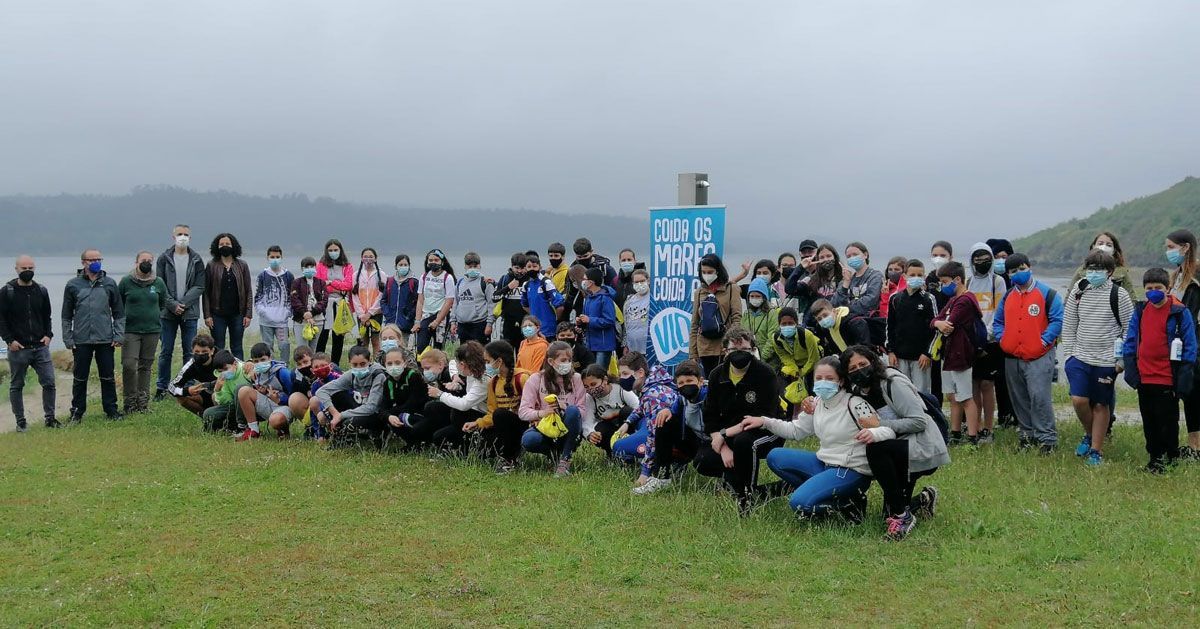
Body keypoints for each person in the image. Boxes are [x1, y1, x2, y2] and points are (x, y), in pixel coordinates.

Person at [736, 357, 884, 524]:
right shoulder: (817, 402)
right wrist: (765, 421)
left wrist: (875, 436)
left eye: (830, 379)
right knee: (775, 456)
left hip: (850, 470)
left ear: (841, 381)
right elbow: (795, 430)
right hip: (825, 463)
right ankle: (823, 491)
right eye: (819, 378)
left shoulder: (855, 403)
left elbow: (882, 429)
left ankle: (847, 503)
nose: (823, 383)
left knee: (799, 503)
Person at [840, 345, 949, 540]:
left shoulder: (891, 382)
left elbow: (919, 421)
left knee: (876, 449)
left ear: (873, 361)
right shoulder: (858, 391)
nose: (859, 370)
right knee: (886, 515)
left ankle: (902, 516)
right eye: (852, 369)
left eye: (863, 364)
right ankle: (923, 500)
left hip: (919, 445)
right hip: (895, 449)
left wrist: (880, 424)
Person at [694, 327, 784, 514]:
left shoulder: (765, 374)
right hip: (729, 433)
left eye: (744, 349)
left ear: (753, 350)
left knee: (745, 444)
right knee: (703, 459)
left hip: (766, 430)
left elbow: (763, 416)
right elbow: (710, 416)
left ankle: (746, 498)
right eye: (734, 350)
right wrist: (723, 446)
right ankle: (738, 484)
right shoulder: (717, 375)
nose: (739, 354)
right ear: (725, 351)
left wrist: (723, 434)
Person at [1061, 250, 1134, 465]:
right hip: (1080, 357)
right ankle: (1089, 433)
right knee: (1079, 400)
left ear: (1110, 272)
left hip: (1106, 361)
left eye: (1099, 269)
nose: (1093, 273)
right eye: (1090, 268)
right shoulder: (1079, 289)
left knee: (1101, 404)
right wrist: (1069, 355)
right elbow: (1070, 323)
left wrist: (1121, 361)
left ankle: (1096, 451)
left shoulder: (1119, 294)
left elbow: (1129, 329)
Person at [1122, 268, 1198, 473]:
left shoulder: (1180, 312)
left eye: (1158, 288)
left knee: (1167, 421)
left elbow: (1190, 347)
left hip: (1167, 378)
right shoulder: (1140, 310)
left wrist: (1183, 378)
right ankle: (1155, 459)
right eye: (1149, 288)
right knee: (1150, 421)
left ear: (1168, 288)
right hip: (1144, 377)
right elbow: (1130, 340)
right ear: (1144, 289)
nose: (1153, 291)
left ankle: (1171, 458)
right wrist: (1131, 370)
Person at [994, 253, 1064, 453]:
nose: (1018, 273)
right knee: (1019, 398)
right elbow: (998, 322)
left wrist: (1043, 341)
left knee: (1039, 397)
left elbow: (1057, 320)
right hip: (1012, 356)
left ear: (1030, 267)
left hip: (1039, 356)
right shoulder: (1008, 295)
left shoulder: (1048, 294)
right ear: (1008, 274)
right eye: (1013, 271)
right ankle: (1027, 436)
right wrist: (1002, 338)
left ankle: (1047, 439)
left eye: (1022, 268)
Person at [63, 248, 125, 422]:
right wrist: (68, 338)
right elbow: (66, 315)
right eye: (91, 260)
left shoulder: (110, 284)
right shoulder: (73, 285)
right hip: (81, 339)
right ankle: (77, 412)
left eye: (98, 259)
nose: (95, 262)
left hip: (105, 339)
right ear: (83, 262)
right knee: (80, 377)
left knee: (107, 376)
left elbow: (119, 313)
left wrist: (118, 335)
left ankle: (111, 410)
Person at [630, 359, 705, 495]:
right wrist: (667, 410)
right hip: (691, 442)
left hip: (713, 442)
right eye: (681, 383)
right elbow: (673, 410)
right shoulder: (681, 398)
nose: (685, 386)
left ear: (700, 381)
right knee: (663, 421)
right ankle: (662, 478)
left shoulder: (710, 397)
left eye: (689, 381)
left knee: (704, 463)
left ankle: (728, 481)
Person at [1, 255, 57, 430]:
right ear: (16, 269)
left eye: (30, 268)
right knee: (17, 385)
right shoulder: (6, 292)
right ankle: (21, 422)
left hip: (40, 347)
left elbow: (46, 315)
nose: (27, 271)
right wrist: (9, 340)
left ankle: (50, 418)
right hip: (19, 348)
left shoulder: (41, 290)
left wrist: (49, 335)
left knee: (49, 382)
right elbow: (1, 319)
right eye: (24, 268)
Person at [518, 341, 586, 476]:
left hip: (569, 426)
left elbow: (582, 411)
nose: (567, 363)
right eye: (563, 360)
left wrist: (564, 407)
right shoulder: (536, 379)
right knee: (528, 440)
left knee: (572, 410)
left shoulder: (576, 378)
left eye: (569, 360)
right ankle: (554, 456)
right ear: (550, 361)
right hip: (545, 426)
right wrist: (543, 413)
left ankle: (565, 459)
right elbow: (523, 412)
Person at [963, 243, 1008, 444]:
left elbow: (1000, 310)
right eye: (977, 259)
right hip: (970, 341)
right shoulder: (968, 281)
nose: (982, 262)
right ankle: (976, 425)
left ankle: (989, 428)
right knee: (973, 384)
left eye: (985, 258)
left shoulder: (997, 282)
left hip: (990, 342)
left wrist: (986, 334)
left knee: (988, 384)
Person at [462, 340, 530, 473]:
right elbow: (491, 413)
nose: (486, 365)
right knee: (481, 450)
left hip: (522, 424)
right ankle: (503, 454)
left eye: (488, 361)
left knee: (501, 414)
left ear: (499, 361)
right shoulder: (493, 382)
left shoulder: (522, 378)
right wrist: (478, 423)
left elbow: (532, 406)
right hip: (502, 424)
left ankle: (511, 459)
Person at [155, 224, 206, 401]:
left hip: (189, 313)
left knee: (189, 352)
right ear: (173, 237)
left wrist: (182, 304)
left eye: (185, 234)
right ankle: (161, 388)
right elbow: (159, 284)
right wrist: (172, 305)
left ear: (190, 238)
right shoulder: (164, 258)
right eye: (179, 234)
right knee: (165, 351)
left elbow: (199, 286)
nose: (182, 237)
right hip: (167, 313)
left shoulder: (197, 259)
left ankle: (187, 385)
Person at [934, 261, 983, 445]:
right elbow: (937, 320)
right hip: (948, 354)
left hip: (961, 354)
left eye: (945, 282)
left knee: (965, 397)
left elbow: (949, 324)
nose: (943, 286)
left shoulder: (965, 300)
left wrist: (940, 323)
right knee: (952, 397)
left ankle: (972, 437)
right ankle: (954, 433)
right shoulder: (953, 299)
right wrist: (938, 323)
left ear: (957, 279)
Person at [340, 346, 427, 447]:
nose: (393, 366)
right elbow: (383, 406)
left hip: (419, 413)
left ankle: (421, 442)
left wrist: (393, 412)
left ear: (405, 363)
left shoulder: (413, 376)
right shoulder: (388, 382)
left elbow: (414, 402)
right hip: (401, 412)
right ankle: (410, 444)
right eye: (389, 363)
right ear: (384, 365)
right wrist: (389, 416)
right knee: (390, 419)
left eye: (397, 363)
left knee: (403, 417)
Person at [117, 251, 167, 414]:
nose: (146, 263)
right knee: (129, 365)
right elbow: (118, 304)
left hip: (152, 331)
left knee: (145, 366)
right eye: (143, 260)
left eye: (149, 260)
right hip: (130, 330)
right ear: (136, 262)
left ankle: (143, 403)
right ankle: (129, 403)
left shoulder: (158, 282)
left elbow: (162, 304)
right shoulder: (126, 282)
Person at [1165, 229, 1200, 458]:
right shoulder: (1176, 275)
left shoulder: (1195, 274)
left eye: (1170, 247)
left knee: (1194, 391)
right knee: (1184, 391)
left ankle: (1195, 445)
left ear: (1185, 247)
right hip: (1177, 340)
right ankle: (1185, 443)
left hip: (1194, 338)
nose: (1168, 252)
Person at [609, 351, 676, 468]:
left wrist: (645, 471)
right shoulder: (652, 383)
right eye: (620, 375)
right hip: (665, 430)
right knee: (628, 414)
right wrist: (627, 423)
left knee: (618, 447)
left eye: (625, 374)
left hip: (670, 439)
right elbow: (640, 408)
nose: (621, 379)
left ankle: (662, 464)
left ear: (640, 372)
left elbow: (654, 436)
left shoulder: (652, 396)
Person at [424, 341, 490, 451]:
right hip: (470, 411)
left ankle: (466, 445)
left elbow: (464, 404)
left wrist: (440, 394)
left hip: (480, 416)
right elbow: (452, 363)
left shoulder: (483, 380)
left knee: (457, 412)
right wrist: (455, 378)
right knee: (432, 407)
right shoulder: (471, 372)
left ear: (463, 365)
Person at [886, 260, 937, 394]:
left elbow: (934, 329)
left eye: (920, 275)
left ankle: (924, 415)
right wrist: (890, 351)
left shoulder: (928, 299)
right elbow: (890, 326)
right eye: (912, 274)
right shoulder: (895, 299)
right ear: (904, 276)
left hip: (921, 357)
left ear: (924, 277)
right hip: (899, 356)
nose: (916, 278)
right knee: (902, 391)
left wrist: (927, 353)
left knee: (921, 393)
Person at [313, 345, 387, 436]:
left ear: (370, 360)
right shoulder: (351, 374)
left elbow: (371, 407)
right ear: (349, 363)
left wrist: (342, 415)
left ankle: (379, 434)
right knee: (335, 398)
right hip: (361, 406)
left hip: (379, 412)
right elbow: (321, 391)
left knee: (351, 422)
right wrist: (335, 413)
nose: (359, 367)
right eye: (355, 364)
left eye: (363, 364)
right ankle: (339, 438)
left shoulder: (378, 375)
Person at [690, 253, 742, 375]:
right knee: (710, 382)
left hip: (724, 346)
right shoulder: (699, 292)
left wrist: (731, 343)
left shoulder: (731, 289)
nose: (707, 275)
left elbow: (737, 317)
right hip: (704, 347)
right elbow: (695, 323)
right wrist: (693, 353)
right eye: (704, 272)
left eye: (710, 272)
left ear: (718, 271)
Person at [202, 233, 252, 360]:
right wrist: (207, 315)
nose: (225, 246)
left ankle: (240, 376)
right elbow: (206, 292)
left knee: (237, 347)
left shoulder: (242, 265)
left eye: (227, 244)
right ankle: (218, 376)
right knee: (218, 347)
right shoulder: (211, 265)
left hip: (238, 314)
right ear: (216, 247)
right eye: (221, 244)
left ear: (233, 245)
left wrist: (248, 314)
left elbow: (248, 291)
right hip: (217, 314)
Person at [234, 342, 296, 440]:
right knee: (243, 391)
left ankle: (284, 430)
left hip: (284, 405)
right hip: (268, 402)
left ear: (270, 357)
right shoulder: (257, 372)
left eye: (263, 360)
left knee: (275, 420)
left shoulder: (282, 372)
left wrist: (280, 399)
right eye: (256, 361)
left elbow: (295, 396)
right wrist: (264, 392)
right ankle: (253, 430)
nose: (260, 363)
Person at [986, 238, 1017, 426]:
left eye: (1003, 257)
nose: (1000, 261)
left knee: (1009, 379)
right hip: (991, 336)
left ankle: (1009, 416)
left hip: (1011, 336)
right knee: (991, 379)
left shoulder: (1016, 280)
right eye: (995, 257)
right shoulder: (985, 281)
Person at [580, 364, 638, 457]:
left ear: (605, 380)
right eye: (586, 386)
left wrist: (617, 413)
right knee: (598, 430)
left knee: (626, 412)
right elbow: (587, 421)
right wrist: (590, 434)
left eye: (593, 384)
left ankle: (633, 449)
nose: (591, 389)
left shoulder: (621, 389)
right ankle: (613, 454)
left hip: (627, 425)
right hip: (609, 428)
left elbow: (638, 408)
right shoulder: (589, 398)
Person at [771, 307, 820, 409]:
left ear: (797, 323)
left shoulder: (807, 335)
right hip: (795, 366)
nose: (787, 326)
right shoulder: (776, 338)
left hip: (811, 365)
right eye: (784, 324)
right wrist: (794, 369)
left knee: (813, 391)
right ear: (779, 324)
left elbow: (814, 358)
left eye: (790, 323)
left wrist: (802, 372)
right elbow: (784, 356)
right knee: (787, 392)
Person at [925, 240, 955, 404]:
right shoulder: (929, 278)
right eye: (935, 255)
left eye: (942, 255)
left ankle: (962, 417)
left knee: (953, 377)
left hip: (952, 330)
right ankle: (937, 412)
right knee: (935, 376)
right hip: (934, 332)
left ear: (950, 257)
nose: (938, 258)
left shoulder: (955, 278)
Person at [315, 239, 354, 365]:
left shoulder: (347, 266)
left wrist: (331, 282)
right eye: (330, 250)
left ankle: (335, 364)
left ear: (340, 250)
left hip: (341, 303)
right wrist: (338, 285)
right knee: (322, 335)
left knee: (338, 337)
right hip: (325, 303)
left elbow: (348, 285)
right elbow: (320, 284)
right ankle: (318, 363)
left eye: (335, 250)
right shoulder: (321, 265)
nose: (333, 252)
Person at [254, 245, 295, 365]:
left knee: (284, 345)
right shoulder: (262, 276)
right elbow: (258, 296)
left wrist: (287, 312)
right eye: (272, 257)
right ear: (268, 257)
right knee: (267, 346)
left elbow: (292, 296)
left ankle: (284, 367)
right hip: (265, 320)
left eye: (277, 257)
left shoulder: (288, 276)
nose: (275, 259)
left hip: (282, 320)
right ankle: (268, 367)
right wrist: (262, 312)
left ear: (281, 257)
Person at [412, 248, 456, 353]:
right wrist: (417, 321)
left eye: (436, 260)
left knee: (438, 350)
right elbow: (420, 300)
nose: (433, 262)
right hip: (426, 315)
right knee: (421, 349)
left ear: (442, 262)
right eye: (430, 260)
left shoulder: (448, 278)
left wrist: (437, 321)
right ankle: (421, 368)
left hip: (441, 317)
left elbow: (449, 301)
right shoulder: (424, 277)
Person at [165, 333, 220, 417]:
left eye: (204, 351)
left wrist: (248, 362)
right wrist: (187, 391)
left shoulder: (221, 357)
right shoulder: (191, 364)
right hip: (206, 393)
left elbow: (239, 365)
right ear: (192, 351)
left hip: (226, 393)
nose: (200, 354)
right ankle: (208, 419)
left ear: (212, 351)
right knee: (181, 397)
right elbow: (171, 386)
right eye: (197, 352)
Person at [201, 350, 252, 433]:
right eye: (220, 371)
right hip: (236, 407)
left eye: (226, 369)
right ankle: (230, 428)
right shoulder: (223, 378)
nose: (224, 373)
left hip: (252, 405)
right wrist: (218, 390)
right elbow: (227, 402)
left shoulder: (245, 369)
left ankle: (243, 428)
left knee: (240, 389)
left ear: (235, 364)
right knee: (208, 413)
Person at [450, 252, 494, 346]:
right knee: (464, 355)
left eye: (475, 266)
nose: (472, 269)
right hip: (462, 325)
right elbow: (455, 303)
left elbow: (491, 304)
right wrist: (453, 322)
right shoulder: (459, 283)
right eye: (470, 266)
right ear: (465, 266)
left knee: (481, 355)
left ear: (479, 266)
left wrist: (489, 324)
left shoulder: (485, 282)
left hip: (479, 324)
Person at [1069, 231, 1135, 294]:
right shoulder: (1082, 270)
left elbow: (1131, 296)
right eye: (1100, 244)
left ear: (1114, 250)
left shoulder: (1122, 272)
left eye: (1109, 245)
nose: (1104, 247)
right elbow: (1070, 293)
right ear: (1093, 246)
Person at [832, 241, 884, 318]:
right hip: (846, 322)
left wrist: (846, 308)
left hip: (867, 321)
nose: (852, 258)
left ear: (865, 255)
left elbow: (871, 301)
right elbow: (835, 304)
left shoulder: (875, 276)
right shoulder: (847, 279)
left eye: (855, 254)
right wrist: (846, 284)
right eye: (848, 256)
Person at [579, 267, 618, 367]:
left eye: (584, 279)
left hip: (603, 346)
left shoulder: (605, 298)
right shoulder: (588, 298)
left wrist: (590, 320)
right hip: (590, 345)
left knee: (600, 373)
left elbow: (609, 320)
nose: (582, 281)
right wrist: (581, 321)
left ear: (591, 282)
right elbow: (586, 319)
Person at [787, 243, 842, 314]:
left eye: (829, 256)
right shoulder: (811, 279)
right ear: (818, 260)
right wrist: (801, 268)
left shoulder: (843, 279)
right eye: (822, 257)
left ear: (835, 257)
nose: (826, 259)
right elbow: (789, 289)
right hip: (813, 322)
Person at [521, 252, 565, 339]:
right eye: (529, 267)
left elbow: (560, 306)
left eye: (534, 266)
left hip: (549, 330)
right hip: (535, 331)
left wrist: (555, 320)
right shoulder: (526, 285)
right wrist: (535, 316)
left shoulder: (546, 282)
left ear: (540, 267)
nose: (532, 269)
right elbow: (524, 305)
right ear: (525, 269)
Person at [351, 248, 385, 356]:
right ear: (361, 258)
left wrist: (370, 313)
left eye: (371, 256)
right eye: (365, 256)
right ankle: (364, 363)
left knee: (376, 341)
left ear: (375, 259)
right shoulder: (356, 275)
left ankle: (377, 363)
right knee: (363, 341)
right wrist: (361, 314)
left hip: (376, 313)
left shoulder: (382, 275)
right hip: (361, 315)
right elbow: (354, 296)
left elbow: (381, 296)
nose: (368, 259)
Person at [289, 257, 328, 351]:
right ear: (302, 269)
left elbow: (324, 300)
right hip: (301, 320)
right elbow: (294, 299)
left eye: (312, 266)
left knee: (313, 349)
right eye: (307, 267)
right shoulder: (296, 282)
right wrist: (304, 313)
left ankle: (312, 365)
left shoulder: (321, 282)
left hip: (317, 320)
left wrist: (312, 313)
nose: (309, 269)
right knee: (303, 349)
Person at [743, 277, 780, 370]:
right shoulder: (746, 314)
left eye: (758, 296)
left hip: (769, 362)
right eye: (752, 296)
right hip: (749, 361)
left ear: (764, 298)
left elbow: (772, 338)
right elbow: (742, 335)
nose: (754, 299)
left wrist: (762, 358)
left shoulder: (772, 313)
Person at [493, 252, 530, 347]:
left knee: (523, 351)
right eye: (517, 268)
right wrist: (508, 288)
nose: (520, 271)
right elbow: (494, 298)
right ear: (512, 266)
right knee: (506, 352)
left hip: (525, 322)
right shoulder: (505, 278)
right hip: (507, 323)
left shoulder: (529, 279)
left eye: (522, 268)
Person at [381, 254, 419, 344]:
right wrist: (388, 314)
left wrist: (409, 316)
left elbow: (417, 303)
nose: (403, 267)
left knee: (402, 348)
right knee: (390, 347)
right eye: (400, 265)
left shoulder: (413, 282)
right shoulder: (390, 281)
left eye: (405, 265)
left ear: (409, 266)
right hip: (390, 323)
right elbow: (383, 301)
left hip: (405, 324)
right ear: (396, 266)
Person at [783, 239, 821, 322]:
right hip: (803, 315)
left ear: (816, 253)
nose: (807, 255)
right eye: (804, 252)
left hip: (820, 314)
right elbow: (789, 289)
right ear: (800, 254)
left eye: (810, 251)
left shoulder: (822, 273)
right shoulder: (798, 273)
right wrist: (801, 267)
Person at [623, 268, 651, 356]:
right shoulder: (629, 300)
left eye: (642, 281)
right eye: (636, 282)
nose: (639, 284)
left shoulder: (654, 299)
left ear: (648, 281)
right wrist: (625, 344)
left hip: (649, 346)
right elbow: (626, 324)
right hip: (632, 347)